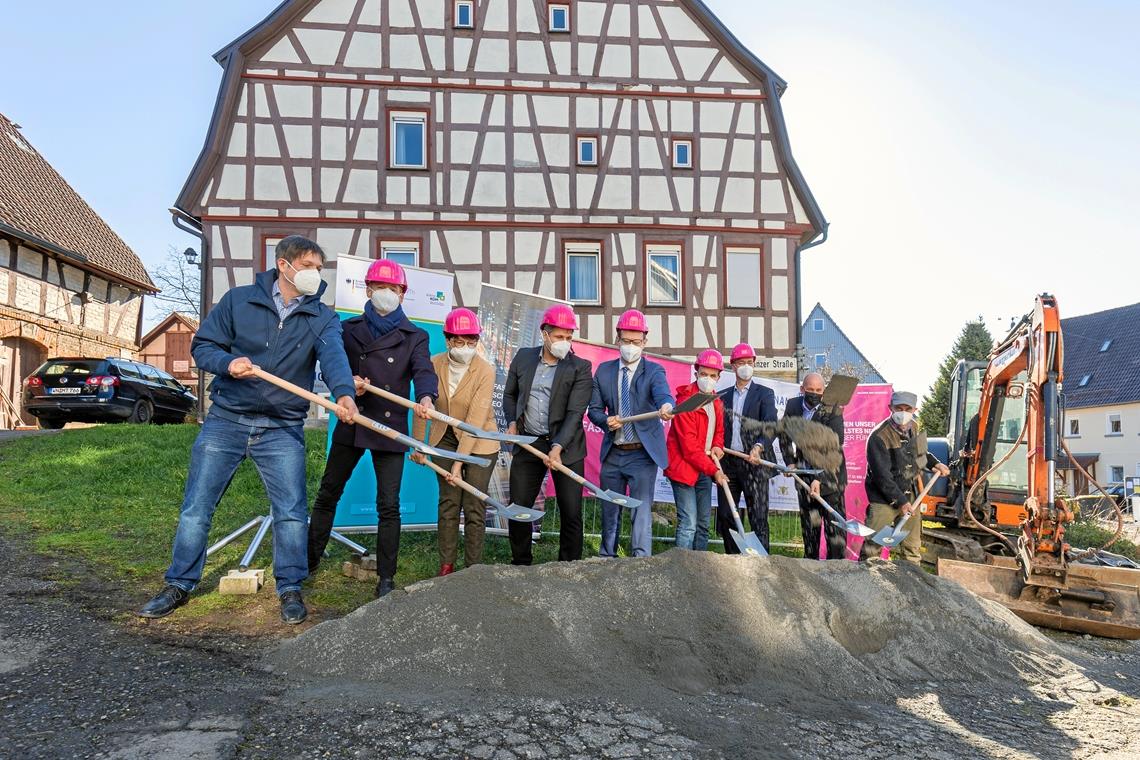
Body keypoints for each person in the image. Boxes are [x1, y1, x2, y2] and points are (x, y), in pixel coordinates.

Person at [137, 236, 358, 625]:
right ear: (284, 265)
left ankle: (290, 586)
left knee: (290, 512)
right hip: (226, 420)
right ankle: (179, 584)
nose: (315, 275)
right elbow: (203, 346)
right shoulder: (239, 301)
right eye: (308, 266)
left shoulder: (321, 316)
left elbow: (335, 358)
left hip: (281, 426)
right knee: (197, 509)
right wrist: (227, 363)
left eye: (319, 269)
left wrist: (344, 395)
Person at [306, 258, 438, 598]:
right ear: (368, 290)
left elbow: (423, 371)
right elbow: (330, 366)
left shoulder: (415, 336)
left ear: (402, 294)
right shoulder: (347, 329)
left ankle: (386, 578)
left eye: (394, 289)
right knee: (328, 493)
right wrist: (347, 383)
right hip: (353, 420)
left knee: (388, 504)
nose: (388, 294)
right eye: (382, 288)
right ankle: (308, 560)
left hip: (390, 425)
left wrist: (426, 398)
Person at [502, 304, 593, 565]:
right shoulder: (523, 358)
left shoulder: (580, 368)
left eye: (568, 337)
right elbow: (510, 394)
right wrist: (511, 422)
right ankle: (521, 562)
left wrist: (558, 447)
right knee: (519, 506)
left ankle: (568, 565)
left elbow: (576, 413)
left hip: (567, 448)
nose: (564, 342)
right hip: (529, 443)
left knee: (571, 509)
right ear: (544, 333)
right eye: (559, 336)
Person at [410, 308, 499, 576]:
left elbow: (474, 421)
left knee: (474, 504)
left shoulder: (485, 371)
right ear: (448, 340)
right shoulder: (434, 363)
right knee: (449, 502)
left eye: (471, 342)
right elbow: (423, 406)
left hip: (480, 442)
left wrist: (459, 465)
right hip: (444, 439)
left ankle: (473, 570)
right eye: (459, 341)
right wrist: (418, 445)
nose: (466, 347)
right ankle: (446, 566)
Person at [587, 309, 674, 558]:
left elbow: (663, 395)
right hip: (614, 452)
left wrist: (666, 407)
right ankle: (607, 557)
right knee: (609, 509)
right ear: (618, 339)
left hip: (642, 455)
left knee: (641, 512)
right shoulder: (603, 371)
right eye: (626, 341)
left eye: (636, 342)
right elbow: (594, 410)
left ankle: (640, 563)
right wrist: (605, 420)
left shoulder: (654, 371)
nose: (631, 346)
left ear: (645, 342)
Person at [860, 391, 950, 564]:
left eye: (907, 408)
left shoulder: (915, 427)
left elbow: (921, 454)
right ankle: (866, 582)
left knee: (912, 548)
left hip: (910, 495)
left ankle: (911, 582)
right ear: (890, 408)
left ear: (915, 409)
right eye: (898, 408)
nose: (903, 412)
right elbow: (882, 477)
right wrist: (901, 502)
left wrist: (935, 464)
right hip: (883, 500)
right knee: (873, 548)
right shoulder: (878, 437)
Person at [665, 350, 729, 551]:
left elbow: (718, 430)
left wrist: (717, 445)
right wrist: (715, 471)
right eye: (703, 374)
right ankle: (682, 570)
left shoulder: (716, 401)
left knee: (703, 525)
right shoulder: (685, 402)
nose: (707, 379)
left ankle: (700, 571)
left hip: (704, 468)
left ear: (718, 377)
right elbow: (690, 448)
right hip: (684, 468)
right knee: (688, 524)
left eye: (712, 375)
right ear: (696, 372)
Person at [717, 343, 778, 552]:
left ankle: (762, 564)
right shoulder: (722, 396)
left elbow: (771, 424)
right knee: (726, 515)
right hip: (728, 464)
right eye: (741, 363)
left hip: (754, 464)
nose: (746, 366)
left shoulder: (765, 394)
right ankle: (733, 563)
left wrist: (759, 446)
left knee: (758, 516)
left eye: (749, 363)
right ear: (733, 366)